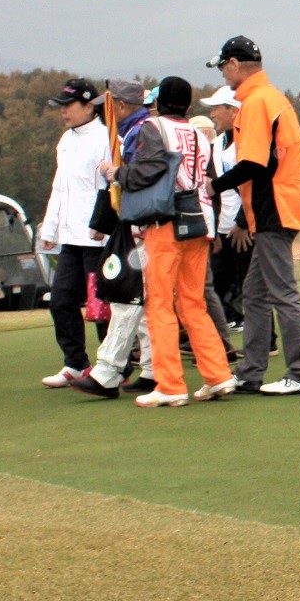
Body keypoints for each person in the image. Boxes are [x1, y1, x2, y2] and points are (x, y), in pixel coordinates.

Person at [108, 77, 235, 408]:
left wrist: (117, 174)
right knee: (193, 302)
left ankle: (170, 384)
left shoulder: (153, 128)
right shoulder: (199, 134)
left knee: (160, 303)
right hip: (200, 222)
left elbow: (147, 171)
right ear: (188, 105)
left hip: (165, 223)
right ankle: (218, 374)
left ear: (160, 101)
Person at [208, 36, 300, 395]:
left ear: (235, 65)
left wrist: (214, 186)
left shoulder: (256, 102)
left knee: (282, 293)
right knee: (254, 293)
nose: (224, 75)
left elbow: (255, 162)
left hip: (274, 207)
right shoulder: (269, 97)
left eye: (224, 67)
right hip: (277, 205)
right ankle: (250, 370)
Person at [69, 79, 159, 399]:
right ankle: (152, 368)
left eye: (107, 105)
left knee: (127, 297)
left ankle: (108, 372)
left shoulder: (138, 132)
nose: (103, 112)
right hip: (144, 224)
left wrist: (112, 172)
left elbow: (134, 179)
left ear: (120, 105)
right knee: (143, 298)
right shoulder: (139, 129)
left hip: (141, 225)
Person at [38, 78, 111, 388]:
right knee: (61, 300)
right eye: (61, 106)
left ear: (88, 105)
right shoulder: (66, 139)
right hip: (71, 239)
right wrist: (50, 226)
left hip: (97, 239)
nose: (63, 112)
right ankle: (76, 364)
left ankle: (112, 367)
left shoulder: (105, 138)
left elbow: (106, 188)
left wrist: (102, 224)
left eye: (68, 105)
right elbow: (60, 186)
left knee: (101, 307)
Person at [201, 86, 251, 329]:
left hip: (243, 227)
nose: (212, 114)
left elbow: (252, 184)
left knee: (250, 287)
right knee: (217, 284)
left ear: (233, 110)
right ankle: (219, 339)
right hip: (221, 226)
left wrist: (243, 222)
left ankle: (266, 341)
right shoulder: (218, 142)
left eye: (216, 108)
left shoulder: (246, 140)